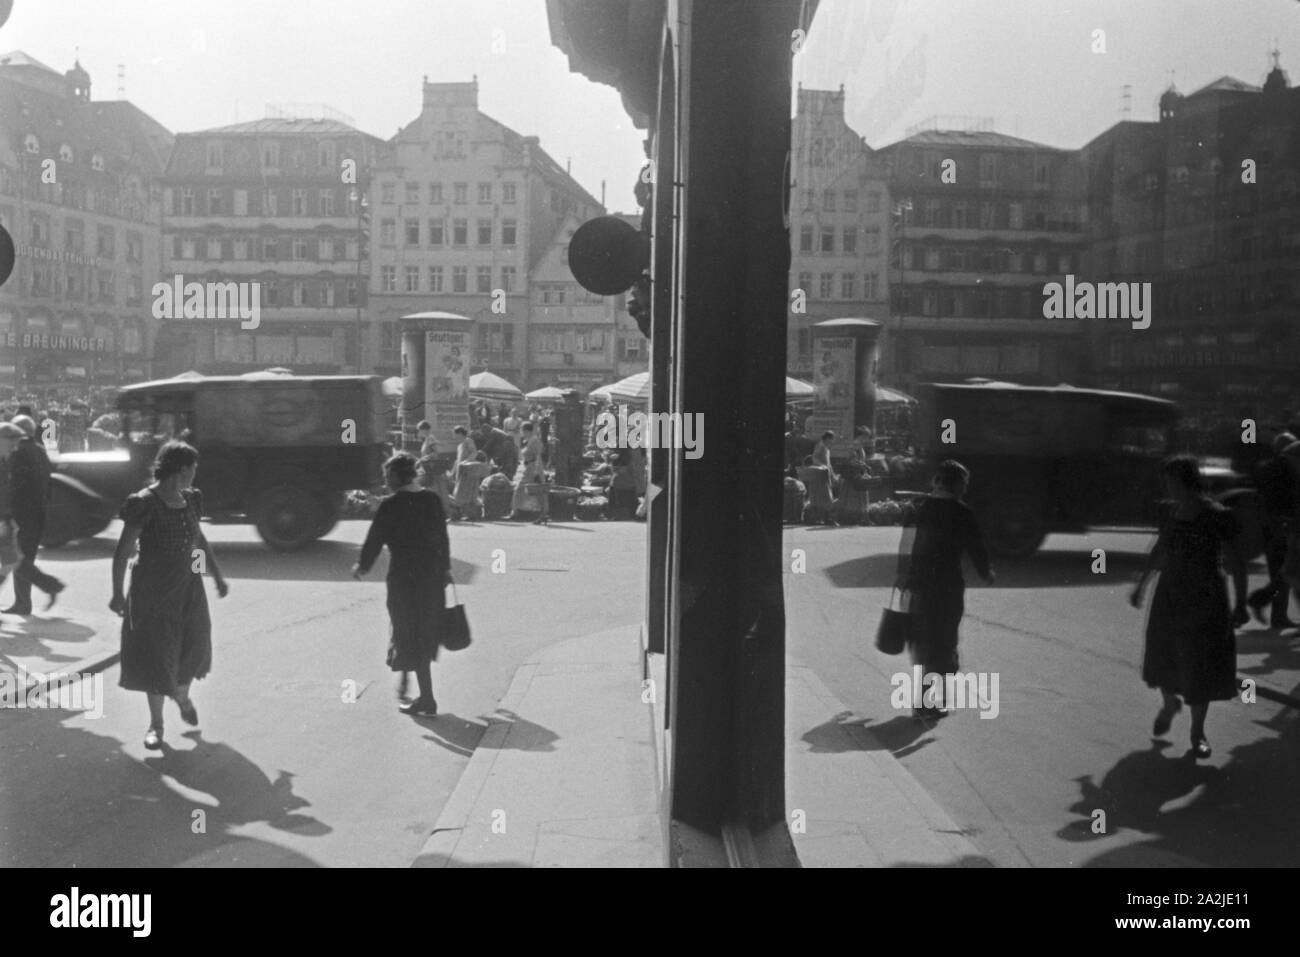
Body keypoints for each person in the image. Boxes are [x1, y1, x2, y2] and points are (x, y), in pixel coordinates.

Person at [110, 441, 229, 750]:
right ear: (181, 469)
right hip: (152, 590)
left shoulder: (191, 500)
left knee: (195, 646)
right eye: (193, 468)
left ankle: (182, 695)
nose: (195, 474)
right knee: (157, 656)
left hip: (188, 587)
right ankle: (156, 725)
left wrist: (213, 575)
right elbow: (123, 553)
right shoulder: (144, 502)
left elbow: (197, 540)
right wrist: (117, 595)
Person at [1129, 454, 1239, 759]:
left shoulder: (1216, 515)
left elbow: (1235, 560)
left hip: (1205, 597)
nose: (1168, 487)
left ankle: (1197, 732)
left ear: (1186, 482)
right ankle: (1169, 704)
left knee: (1201, 664)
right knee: (1163, 653)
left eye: (1171, 482)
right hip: (1171, 594)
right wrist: (1141, 585)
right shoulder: (1171, 513)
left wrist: (1242, 601)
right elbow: (1161, 550)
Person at [352, 452, 451, 716]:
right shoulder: (431, 500)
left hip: (404, 580)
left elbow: (375, 540)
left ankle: (425, 697)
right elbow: (443, 538)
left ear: (397, 476)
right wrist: (445, 570)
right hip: (431, 578)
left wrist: (362, 566)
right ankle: (412, 680)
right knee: (422, 633)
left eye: (388, 477)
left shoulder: (391, 505)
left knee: (407, 630)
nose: (386, 482)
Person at [898, 459, 995, 721]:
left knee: (924, 643)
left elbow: (907, 545)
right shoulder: (961, 512)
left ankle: (925, 699)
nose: (965, 487)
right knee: (943, 643)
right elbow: (977, 547)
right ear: (957, 484)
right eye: (964, 483)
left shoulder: (919, 508)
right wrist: (986, 573)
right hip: (947, 588)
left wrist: (904, 579)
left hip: (919, 586)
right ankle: (929, 702)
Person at [4, 415, 64, 614]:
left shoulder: (16, 452)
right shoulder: (39, 449)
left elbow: (12, 487)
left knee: (15, 558)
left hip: (18, 515)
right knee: (20, 558)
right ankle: (40, 591)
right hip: (37, 513)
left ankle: (29, 598)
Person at [1246, 431, 1298, 629]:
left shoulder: (1265, 467)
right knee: (1286, 572)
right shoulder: (1286, 470)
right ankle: (1267, 606)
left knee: (1282, 571)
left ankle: (1274, 612)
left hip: (1268, 525)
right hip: (1282, 526)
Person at [510, 421, 549, 524]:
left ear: (526, 431)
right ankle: (540, 514)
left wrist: (536, 471)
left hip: (533, 468)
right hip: (528, 467)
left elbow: (538, 457)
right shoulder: (528, 440)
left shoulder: (534, 440)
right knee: (534, 491)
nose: (521, 433)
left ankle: (516, 512)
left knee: (530, 490)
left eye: (522, 430)